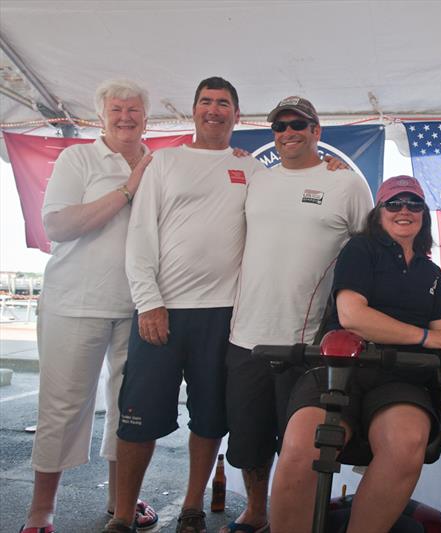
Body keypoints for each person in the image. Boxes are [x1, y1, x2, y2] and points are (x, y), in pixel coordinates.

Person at [270, 176, 441, 533]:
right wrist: (425, 338)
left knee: (406, 445)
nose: (404, 210)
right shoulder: (360, 250)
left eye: (413, 204)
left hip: (403, 375)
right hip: (339, 369)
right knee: (302, 449)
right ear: (378, 213)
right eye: (394, 203)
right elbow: (352, 316)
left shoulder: (432, 273)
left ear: (423, 214)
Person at [103, 77, 266, 533]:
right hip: (161, 311)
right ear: (193, 110)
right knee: (137, 419)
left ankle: (192, 506)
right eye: (206, 102)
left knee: (210, 417)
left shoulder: (251, 169)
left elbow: (291, 199)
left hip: (223, 315)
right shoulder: (165, 161)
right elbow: (140, 238)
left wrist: (330, 171)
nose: (214, 110)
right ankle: (121, 514)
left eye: (224, 103)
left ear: (237, 113)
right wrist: (150, 302)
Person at [221, 96, 372, 533]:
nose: (288, 133)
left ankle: (295, 518)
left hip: (306, 343)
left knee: (299, 446)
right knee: (248, 441)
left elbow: (366, 252)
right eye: (280, 125)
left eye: (298, 125)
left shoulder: (346, 183)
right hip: (244, 335)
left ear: (316, 131)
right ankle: (256, 509)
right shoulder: (256, 178)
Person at [22, 79, 158, 533]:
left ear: (146, 117)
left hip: (138, 306)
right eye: (116, 109)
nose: (125, 116)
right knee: (62, 408)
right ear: (100, 116)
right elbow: (57, 225)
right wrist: (126, 190)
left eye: (134, 109)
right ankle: (41, 510)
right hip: (75, 302)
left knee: (129, 409)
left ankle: (122, 504)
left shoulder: (157, 162)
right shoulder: (77, 158)